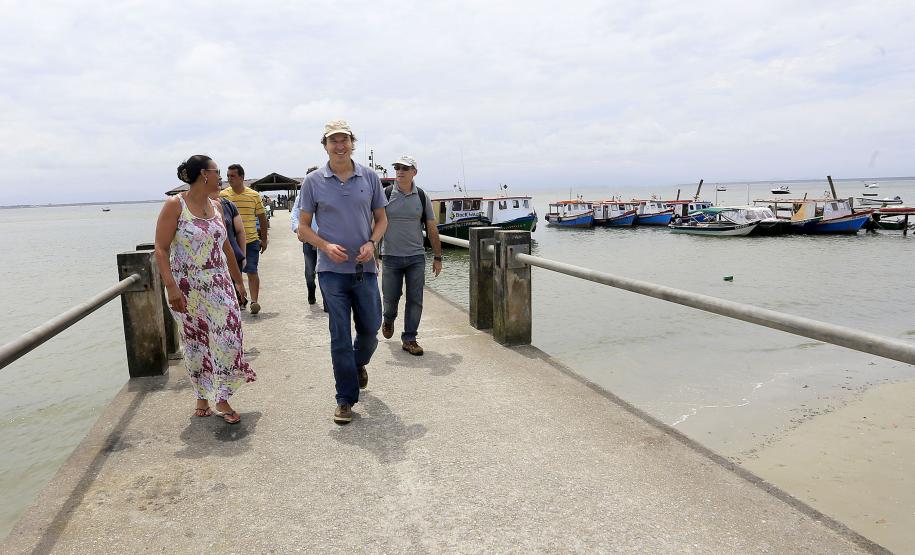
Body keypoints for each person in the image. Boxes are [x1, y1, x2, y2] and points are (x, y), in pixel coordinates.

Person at [297, 120, 387, 425]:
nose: (339, 145)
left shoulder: (370, 177)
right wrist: (324, 245)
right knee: (339, 335)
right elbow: (303, 228)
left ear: (352, 143)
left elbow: (382, 219)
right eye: (333, 140)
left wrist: (372, 243)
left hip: (365, 270)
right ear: (325, 145)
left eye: (344, 140)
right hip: (331, 272)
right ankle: (345, 399)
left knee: (371, 329)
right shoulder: (312, 182)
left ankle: (358, 362)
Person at [154, 155, 256, 424]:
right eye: (217, 171)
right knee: (195, 343)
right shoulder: (175, 206)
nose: (220, 176)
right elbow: (161, 250)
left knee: (230, 338)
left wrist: (238, 281)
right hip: (186, 287)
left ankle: (221, 396)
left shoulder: (217, 206)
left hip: (219, 282)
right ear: (203, 175)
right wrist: (171, 287)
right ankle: (202, 396)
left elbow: (226, 248)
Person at [380, 155, 442, 356]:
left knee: (415, 299)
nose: (400, 171)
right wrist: (372, 255)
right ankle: (388, 319)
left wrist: (438, 257)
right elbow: (375, 224)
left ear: (414, 172)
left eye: (405, 168)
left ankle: (410, 339)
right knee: (390, 299)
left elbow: (431, 227)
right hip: (390, 257)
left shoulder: (422, 196)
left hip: (416, 257)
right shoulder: (386, 194)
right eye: (397, 167)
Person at [220, 164, 268, 314]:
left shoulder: (254, 195)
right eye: (227, 176)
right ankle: (240, 300)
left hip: (252, 240)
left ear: (242, 177)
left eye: (232, 176)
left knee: (252, 271)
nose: (229, 179)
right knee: (234, 273)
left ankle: (254, 301)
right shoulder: (223, 196)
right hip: (232, 243)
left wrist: (264, 239)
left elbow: (262, 217)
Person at [291, 166, 322, 307]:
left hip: (325, 241)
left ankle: (328, 301)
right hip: (309, 240)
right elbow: (294, 215)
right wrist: (298, 229)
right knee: (310, 272)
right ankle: (311, 291)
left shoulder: (327, 193)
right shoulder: (301, 197)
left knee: (324, 272)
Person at [210, 190, 246, 273]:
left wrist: (243, 256)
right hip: (212, 262)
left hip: (233, 257)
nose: (218, 184)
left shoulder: (228, 205)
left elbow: (240, 231)